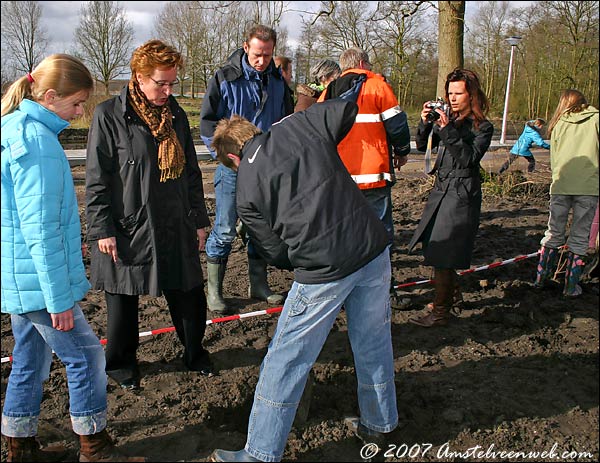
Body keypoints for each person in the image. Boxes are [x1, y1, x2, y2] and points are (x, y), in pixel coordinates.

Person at [207, 99, 398, 462]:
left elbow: (273, 250)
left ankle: (260, 453)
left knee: (286, 359)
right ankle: (379, 422)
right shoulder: (298, 126)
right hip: (371, 248)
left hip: (324, 270)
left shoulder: (246, 186)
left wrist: (304, 254)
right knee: (373, 341)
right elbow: (346, 109)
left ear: (232, 158)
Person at [1, 54, 145, 462]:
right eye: (77, 103)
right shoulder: (37, 143)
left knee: (29, 356)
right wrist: (58, 298)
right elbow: (40, 230)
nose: (81, 112)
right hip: (38, 281)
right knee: (86, 356)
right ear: (49, 96)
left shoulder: (13, 127)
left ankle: (20, 445)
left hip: (20, 276)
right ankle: (94, 447)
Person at [85, 39, 213, 390]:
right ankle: (122, 365)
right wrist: (101, 229)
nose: (168, 90)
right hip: (129, 225)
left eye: (172, 82)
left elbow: (189, 172)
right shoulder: (109, 115)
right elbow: (97, 178)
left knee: (188, 292)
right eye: (162, 83)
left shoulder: (175, 115)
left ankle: (195, 353)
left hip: (174, 220)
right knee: (122, 300)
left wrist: (200, 220)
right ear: (139, 77)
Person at [200, 25, 292, 314]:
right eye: (256, 54)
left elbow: (286, 122)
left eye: (267, 55)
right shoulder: (224, 77)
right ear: (245, 47)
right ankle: (214, 291)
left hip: (265, 169)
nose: (261, 60)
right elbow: (207, 123)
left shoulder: (278, 82)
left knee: (260, 228)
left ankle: (259, 284)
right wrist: (225, 156)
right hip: (232, 169)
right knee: (226, 228)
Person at [408, 68, 494, 327]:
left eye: (459, 93)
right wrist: (425, 123)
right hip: (441, 190)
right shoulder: (448, 120)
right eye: (449, 93)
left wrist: (447, 130)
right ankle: (451, 294)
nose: (453, 98)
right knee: (434, 246)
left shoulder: (482, 127)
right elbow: (423, 147)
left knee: (444, 253)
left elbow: (468, 159)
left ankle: (441, 310)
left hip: (461, 194)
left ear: (472, 95)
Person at [318, 47, 411, 246]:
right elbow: (397, 125)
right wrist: (402, 151)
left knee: (347, 229)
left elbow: (318, 132)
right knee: (380, 229)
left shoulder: (328, 92)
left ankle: (351, 273)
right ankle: (381, 275)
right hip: (374, 172)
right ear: (362, 64)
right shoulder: (378, 86)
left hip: (339, 175)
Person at [533, 89, 599, 297]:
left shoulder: (558, 124)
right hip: (588, 186)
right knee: (579, 236)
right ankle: (570, 286)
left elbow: (556, 158)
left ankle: (540, 279)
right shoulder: (597, 119)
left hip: (560, 186)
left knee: (553, 233)